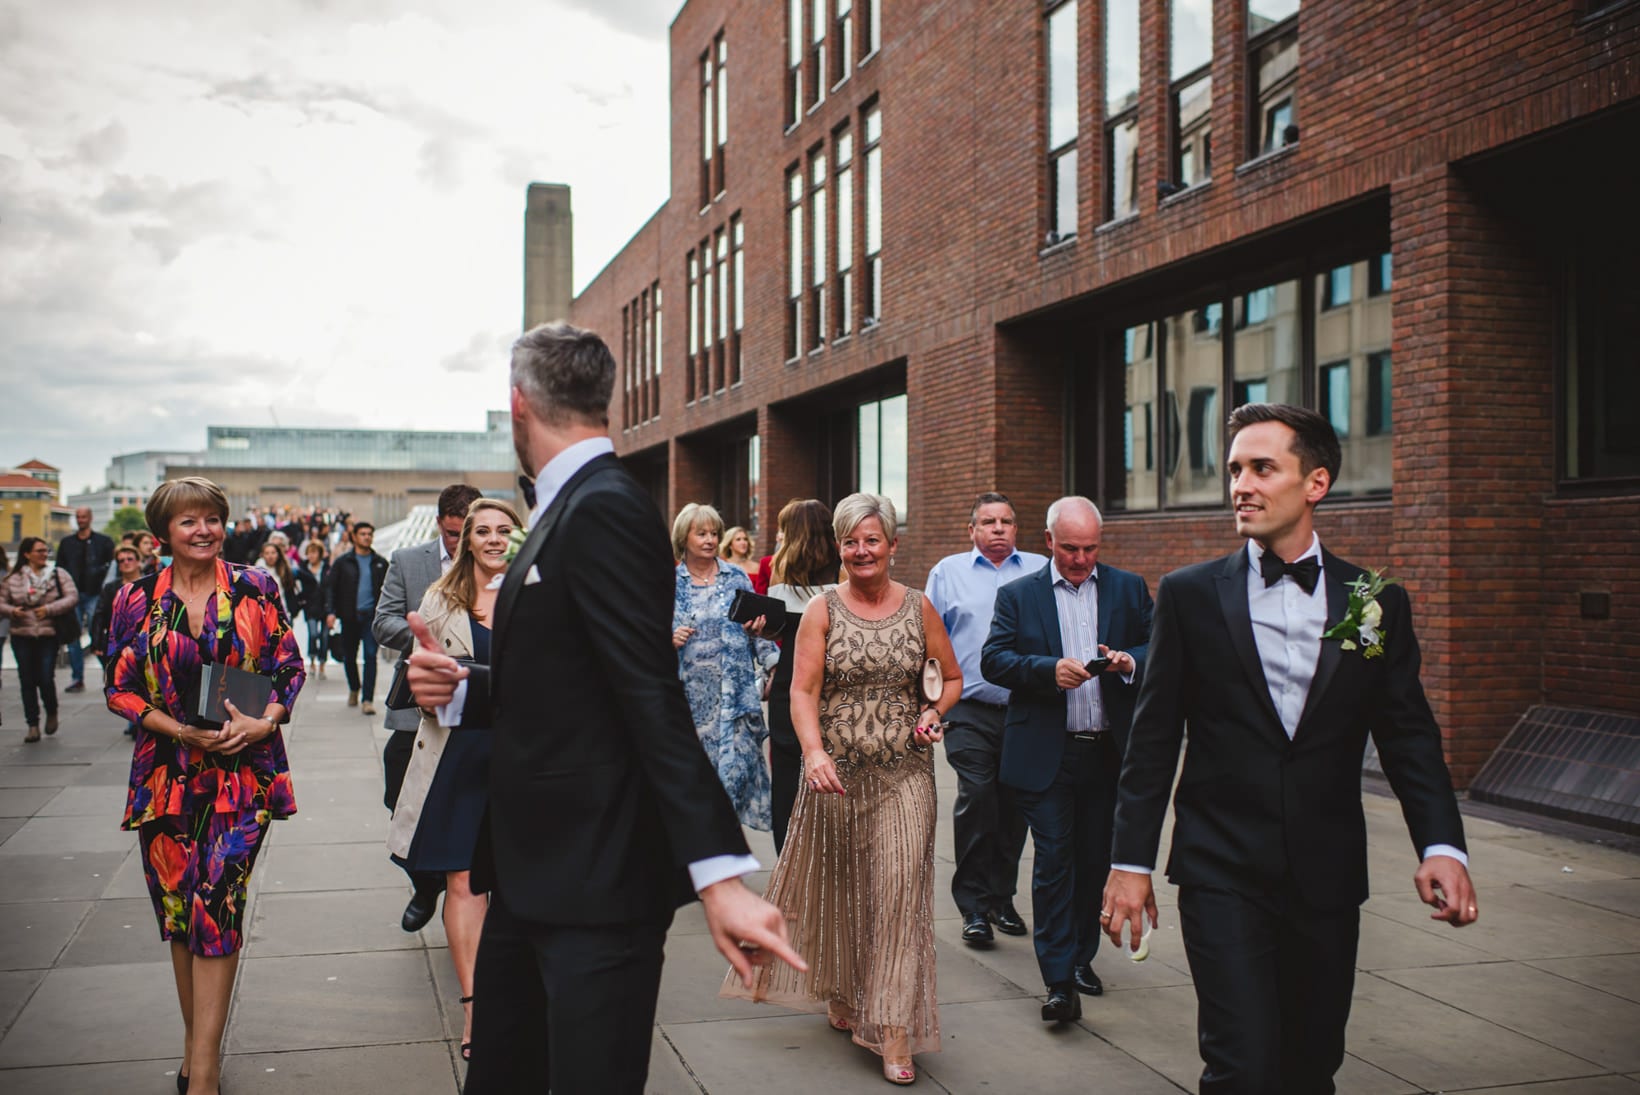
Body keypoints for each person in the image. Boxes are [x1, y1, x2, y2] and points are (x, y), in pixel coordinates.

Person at [404, 321, 802, 1094]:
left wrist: (720, 874)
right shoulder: (565, 506)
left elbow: (648, 693)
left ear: (517, 405)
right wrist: (465, 688)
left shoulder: (607, 507)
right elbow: (574, 687)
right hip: (529, 872)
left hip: (599, 886)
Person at [1103, 403, 1477, 1095]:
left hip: (1326, 873)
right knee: (1241, 1066)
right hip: (1220, 866)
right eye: (1235, 469)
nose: (1240, 484)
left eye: (1262, 467)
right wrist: (1131, 862)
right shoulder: (1188, 596)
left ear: (1316, 483)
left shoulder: (1373, 600)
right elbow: (1152, 741)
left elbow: (1407, 734)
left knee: (1310, 1067)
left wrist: (1443, 846)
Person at [723, 492, 962, 1086]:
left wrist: (936, 712)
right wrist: (812, 752)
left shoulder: (920, 607)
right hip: (837, 780)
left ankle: (893, 1028)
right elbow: (801, 692)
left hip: (906, 776)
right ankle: (840, 989)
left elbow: (951, 678)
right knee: (845, 894)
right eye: (851, 541)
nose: (862, 551)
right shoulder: (822, 611)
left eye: (872, 539)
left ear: (892, 545)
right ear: (839, 547)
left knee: (899, 901)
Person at [104, 476, 303, 1095]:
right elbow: (120, 686)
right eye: (189, 521)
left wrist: (263, 720)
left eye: (212, 519)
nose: (204, 530)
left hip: (242, 775)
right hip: (165, 774)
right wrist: (178, 731)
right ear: (165, 531)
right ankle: (198, 1049)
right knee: (179, 914)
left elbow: (287, 668)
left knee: (216, 907)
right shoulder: (135, 598)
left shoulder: (256, 586)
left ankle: (206, 1071)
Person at [980, 496, 1151, 1023]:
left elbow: (1158, 648)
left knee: (1095, 862)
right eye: (1071, 548)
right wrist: (1045, 669)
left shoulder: (1127, 587)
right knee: (1055, 863)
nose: (1081, 559)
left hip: (1107, 753)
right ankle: (1058, 982)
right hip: (1047, 756)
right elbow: (994, 659)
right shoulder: (1017, 595)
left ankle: (1081, 958)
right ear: (1049, 541)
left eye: (1091, 549)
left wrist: (1127, 663)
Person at [388, 497, 519, 1065]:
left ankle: (521, 998)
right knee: (465, 883)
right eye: (482, 531)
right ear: (465, 540)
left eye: (503, 530)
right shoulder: (440, 600)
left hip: (525, 764)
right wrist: (427, 687)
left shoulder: (538, 597)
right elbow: (424, 683)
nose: (493, 539)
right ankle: (475, 1008)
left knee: (516, 887)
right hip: (458, 757)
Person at [925, 491, 1047, 946]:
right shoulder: (948, 572)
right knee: (978, 798)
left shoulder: (1039, 569)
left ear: (1017, 529)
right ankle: (973, 907)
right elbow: (929, 643)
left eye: (1007, 522)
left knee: (1014, 807)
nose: (999, 529)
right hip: (970, 709)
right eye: (989, 522)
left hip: (1027, 710)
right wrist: (932, 705)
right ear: (971, 530)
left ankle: (1001, 899)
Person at [375, 482, 483, 934]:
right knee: (399, 797)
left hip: (480, 705)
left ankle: (468, 895)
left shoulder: (501, 562)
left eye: (470, 533)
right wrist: (429, 643)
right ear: (440, 524)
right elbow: (383, 620)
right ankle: (425, 882)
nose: (463, 545)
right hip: (417, 706)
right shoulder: (407, 561)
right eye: (456, 534)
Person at [672, 502, 777, 832]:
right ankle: (704, 866)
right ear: (683, 537)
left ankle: (723, 862)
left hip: (735, 699)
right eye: (700, 533)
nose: (709, 539)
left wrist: (771, 661)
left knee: (733, 781)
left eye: (714, 533)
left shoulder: (736, 577)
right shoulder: (669, 584)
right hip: (689, 704)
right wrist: (668, 638)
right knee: (696, 788)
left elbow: (759, 629)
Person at [763, 498, 840, 852]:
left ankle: (789, 862)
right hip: (835, 686)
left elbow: (779, 634)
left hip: (789, 686)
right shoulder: (844, 576)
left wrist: (761, 630)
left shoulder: (780, 578)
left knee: (787, 781)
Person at [1, 537, 79, 742]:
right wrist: (12, 611)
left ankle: (51, 710)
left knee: (45, 677)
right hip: (22, 633)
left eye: (46, 551)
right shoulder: (14, 578)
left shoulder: (57, 574)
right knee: (26, 679)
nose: (44, 554)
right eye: (39, 551)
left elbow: (72, 597)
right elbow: (1, 602)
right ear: (27, 554)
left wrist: (49, 609)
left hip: (48, 633)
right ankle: (32, 724)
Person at [326, 521, 388, 714]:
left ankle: (367, 699)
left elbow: (389, 591)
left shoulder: (380, 562)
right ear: (354, 537)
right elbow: (330, 587)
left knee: (371, 656)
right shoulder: (343, 562)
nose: (367, 537)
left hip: (371, 617)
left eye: (370, 534)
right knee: (349, 657)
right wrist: (330, 611)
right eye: (363, 534)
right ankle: (354, 687)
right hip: (349, 616)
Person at [57, 505, 116, 694]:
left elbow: (111, 568)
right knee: (73, 637)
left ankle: (109, 675)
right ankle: (77, 678)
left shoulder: (103, 542)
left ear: (90, 518)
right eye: (78, 517)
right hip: (73, 594)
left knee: (96, 634)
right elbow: (59, 569)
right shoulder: (67, 543)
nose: (80, 520)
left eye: (83, 516)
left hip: (95, 594)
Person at [297, 539, 331, 677]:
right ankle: (311, 661)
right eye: (309, 553)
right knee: (313, 634)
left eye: (314, 553)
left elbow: (331, 588)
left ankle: (322, 664)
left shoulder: (327, 569)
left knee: (324, 636)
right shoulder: (302, 570)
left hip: (325, 607)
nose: (311, 556)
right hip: (310, 607)